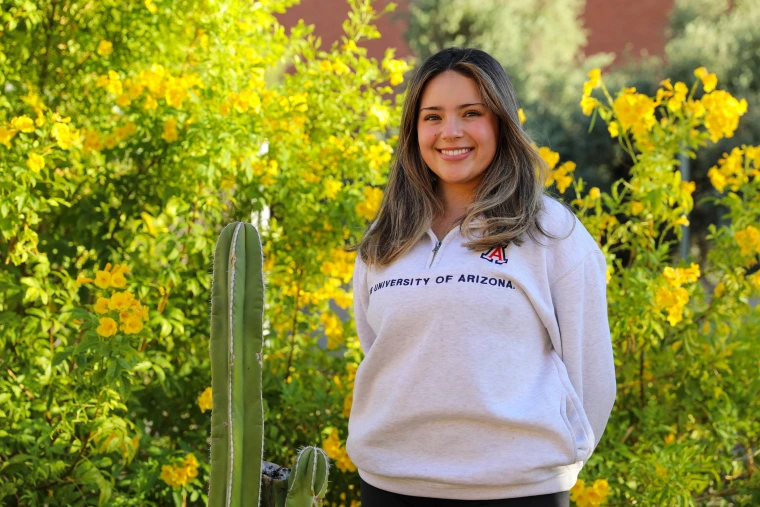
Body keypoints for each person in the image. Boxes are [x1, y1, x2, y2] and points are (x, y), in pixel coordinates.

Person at [345, 47, 617, 507]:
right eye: (432, 117)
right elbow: (381, 351)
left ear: (501, 124)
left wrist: (544, 467)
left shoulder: (551, 232)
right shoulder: (385, 237)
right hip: (390, 488)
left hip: (519, 494)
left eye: (471, 113)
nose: (450, 132)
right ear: (414, 130)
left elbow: (592, 376)